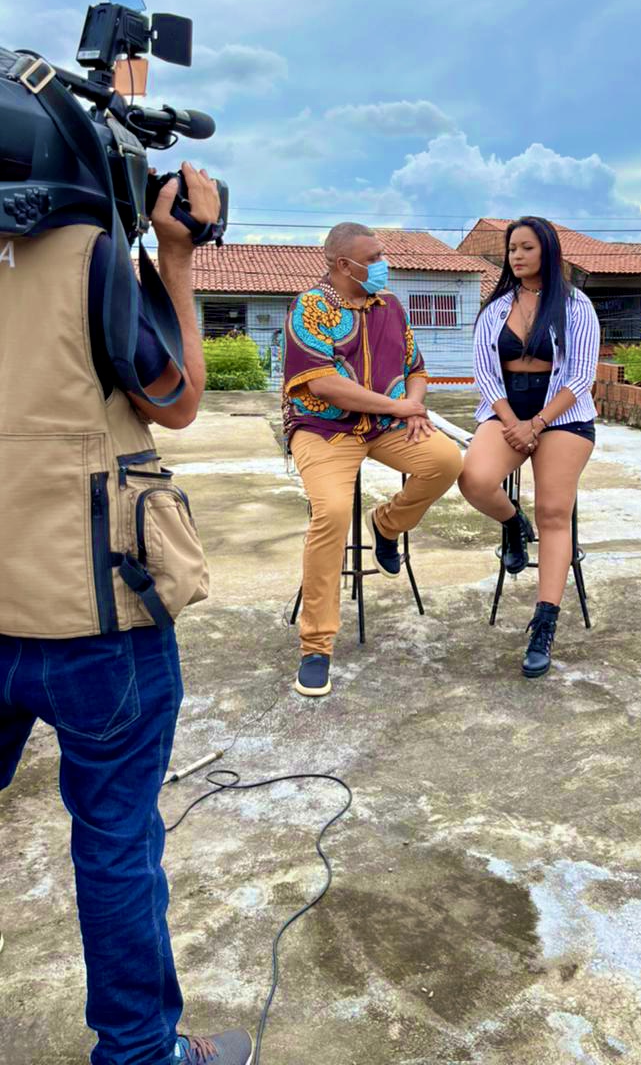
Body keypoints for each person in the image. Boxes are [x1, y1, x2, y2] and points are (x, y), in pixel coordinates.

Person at [0, 164, 253, 1065]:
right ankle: (141, 1053)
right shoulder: (93, 255)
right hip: (95, 609)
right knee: (114, 841)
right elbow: (175, 399)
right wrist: (176, 257)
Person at [283, 221, 463, 697]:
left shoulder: (390, 307)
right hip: (324, 428)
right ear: (345, 265)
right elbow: (323, 384)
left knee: (445, 460)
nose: (384, 264)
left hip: (386, 426)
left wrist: (414, 407)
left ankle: (386, 524)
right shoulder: (310, 307)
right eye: (375, 257)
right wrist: (398, 407)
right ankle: (316, 645)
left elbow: (416, 369)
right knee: (332, 513)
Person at [458, 216, 600, 678]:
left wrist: (537, 423)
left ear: (548, 252)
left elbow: (580, 376)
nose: (516, 256)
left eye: (527, 248)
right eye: (512, 249)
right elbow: (484, 373)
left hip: (563, 416)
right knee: (474, 479)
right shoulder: (495, 308)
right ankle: (513, 523)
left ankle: (544, 624)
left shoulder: (576, 306)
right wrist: (513, 423)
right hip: (506, 411)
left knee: (554, 513)